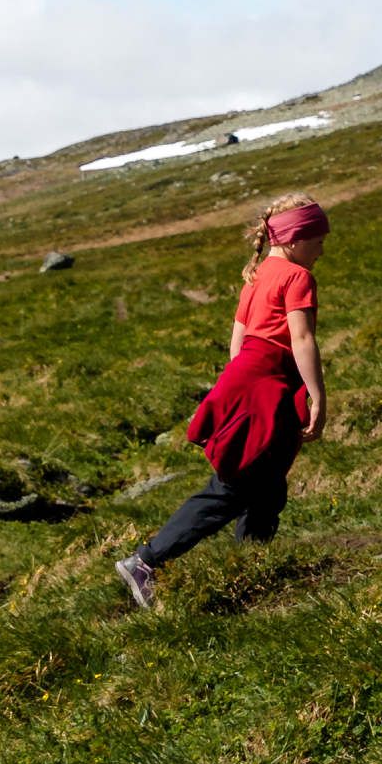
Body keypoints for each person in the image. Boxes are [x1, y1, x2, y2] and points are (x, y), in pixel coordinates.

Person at [118, 195, 329, 608]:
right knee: (235, 486)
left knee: (266, 485)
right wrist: (317, 397)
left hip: (247, 380)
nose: (322, 247)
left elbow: (237, 343)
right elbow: (302, 339)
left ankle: (250, 568)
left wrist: (248, 388)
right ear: (294, 238)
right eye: (317, 238)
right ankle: (146, 561)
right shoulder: (297, 277)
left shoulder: (259, 273)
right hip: (265, 383)